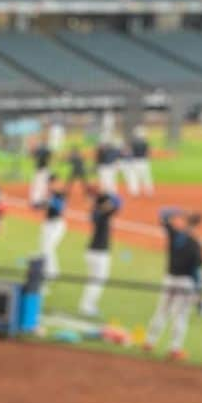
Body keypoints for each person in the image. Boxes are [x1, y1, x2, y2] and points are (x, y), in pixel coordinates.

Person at [145, 208, 202, 360]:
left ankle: (149, 342)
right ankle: (175, 349)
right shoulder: (195, 243)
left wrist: (178, 211)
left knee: (162, 310)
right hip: (185, 283)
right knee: (180, 316)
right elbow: (197, 269)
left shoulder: (175, 234)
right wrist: (199, 292)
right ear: (198, 224)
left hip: (169, 279)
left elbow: (163, 215)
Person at [79, 188, 121, 318]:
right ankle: (87, 307)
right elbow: (118, 203)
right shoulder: (104, 214)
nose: (110, 204)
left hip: (92, 251)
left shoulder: (96, 212)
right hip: (99, 253)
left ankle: (85, 305)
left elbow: (113, 205)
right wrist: (106, 196)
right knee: (98, 280)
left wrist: (101, 197)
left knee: (93, 280)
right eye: (108, 202)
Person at [36, 174, 67, 280]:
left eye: (52, 183)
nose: (50, 185)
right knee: (43, 248)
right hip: (47, 224)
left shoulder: (60, 194)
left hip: (57, 225)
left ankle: (52, 272)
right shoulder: (51, 194)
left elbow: (58, 208)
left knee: (48, 247)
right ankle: (48, 271)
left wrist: (47, 202)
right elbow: (42, 206)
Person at [126, 127, 153, 197]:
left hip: (135, 161)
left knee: (134, 177)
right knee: (146, 177)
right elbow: (148, 152)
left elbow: (129, 152)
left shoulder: (133, 142)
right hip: (144, 161)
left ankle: (135, 192)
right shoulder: (145, 142)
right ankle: (149, 191)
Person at [29, 139, 52, 206]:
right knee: (42, 185)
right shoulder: (46, 150)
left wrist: (32, 147)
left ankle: (38, 200)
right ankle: (38, 200)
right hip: (43, 169)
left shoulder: (39, 150)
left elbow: (32, 156)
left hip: (40, 170)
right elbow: (50, 159)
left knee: (39, 185)